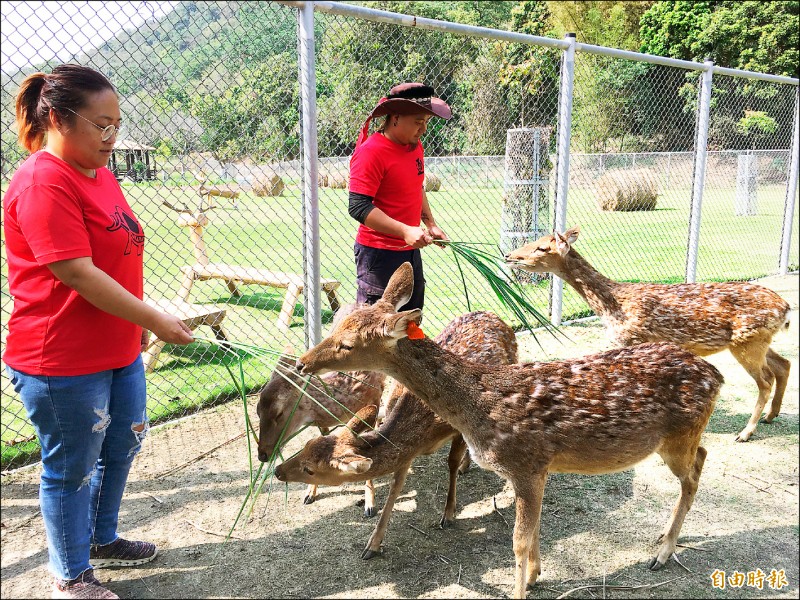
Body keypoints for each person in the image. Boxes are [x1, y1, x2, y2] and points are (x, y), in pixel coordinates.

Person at [2, 64, 194, 599]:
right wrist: (153, 317)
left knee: (124, 441)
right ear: (60, 119)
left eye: (117, 125)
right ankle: (70, 573)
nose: (112, 138)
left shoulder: (100, 172)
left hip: (116, 346)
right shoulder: (42, 181)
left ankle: (100, 538)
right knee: (71, 465)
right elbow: (76, 272)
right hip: (60, 356)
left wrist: (137, 324)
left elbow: (117, 258)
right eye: (101, 126)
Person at [348, 82, 452, 311]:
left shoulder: (414, 146)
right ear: (395, 118)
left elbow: (417, 186)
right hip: (379, 255)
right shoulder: (371, 152)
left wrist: (430, 224)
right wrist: (405, 230)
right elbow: (358, 206)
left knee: (411, 320)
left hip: (410, 251)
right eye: (418, 122)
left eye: (426, 122)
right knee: (378, 330)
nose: (423, 129)